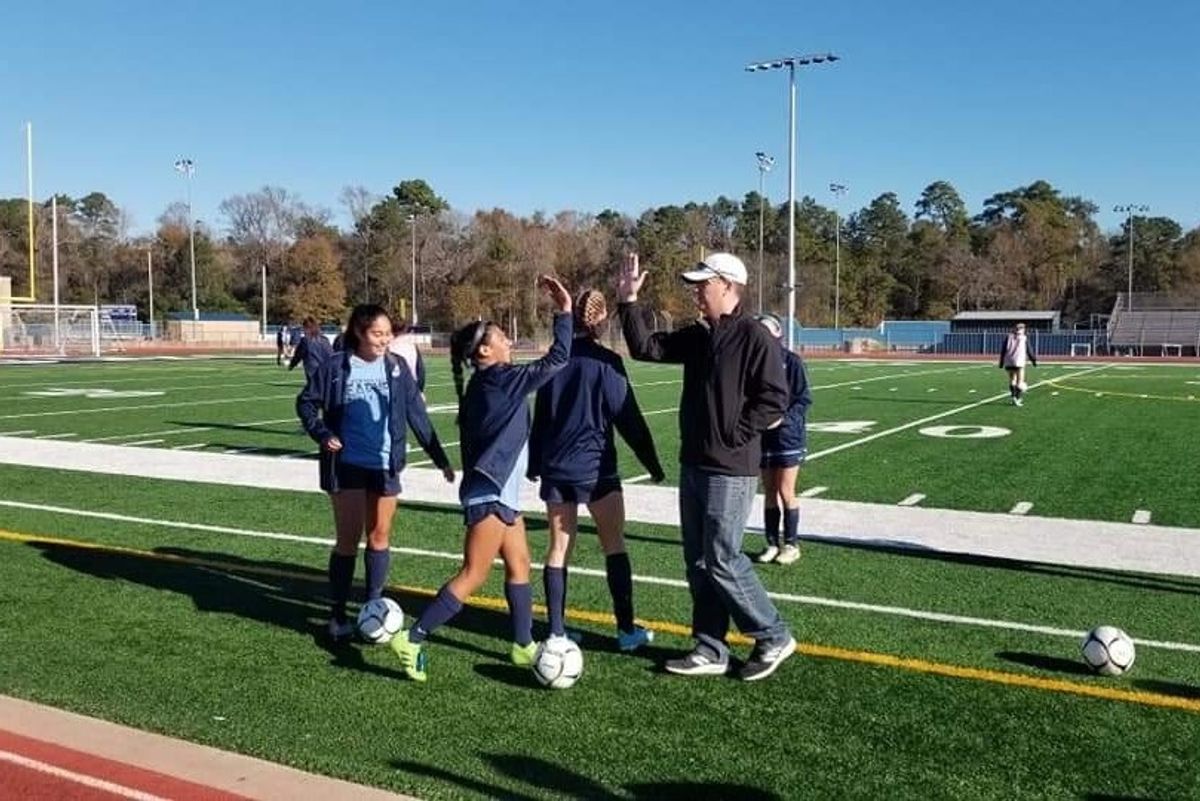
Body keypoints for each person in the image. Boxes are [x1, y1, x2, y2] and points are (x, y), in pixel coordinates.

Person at [618, 251, 796, 682]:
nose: (697, 292)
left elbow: (775, 398)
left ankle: (773, 634)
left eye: (704, 284)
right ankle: (710, 647)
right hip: (694, 463)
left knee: (722, 558)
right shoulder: (700, 336)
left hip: (730, 468)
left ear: (729, 286)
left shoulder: (754, 336)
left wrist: (733, 434)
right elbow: (646, 347)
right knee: (698, 562)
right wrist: (628, 303)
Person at [390, 275, 573, 682]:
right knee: (473, 573)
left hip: (500, 490)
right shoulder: (501, 380)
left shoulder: (487, 383)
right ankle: (413, 637)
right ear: (486, 350)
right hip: (489, 492)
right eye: (502, 337)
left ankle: (523, 645)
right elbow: (557, 360)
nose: (509, 340)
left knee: (520, 562)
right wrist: (564, 312)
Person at [296, 304, 455, 641]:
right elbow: (307, 402)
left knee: (380, 536)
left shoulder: (396, 368)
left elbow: (417, 415)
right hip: (347, 466)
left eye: (387, 334)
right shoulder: (336, 366)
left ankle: (372, 608)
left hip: (385, 466)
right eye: (377, 334)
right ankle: (337, 615)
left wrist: (440, 458)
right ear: (359, 333)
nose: (384, 340)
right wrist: (323, 434)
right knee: (348, 541)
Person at [529, 288, 665, 652]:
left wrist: (533, 464)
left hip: (557, 469)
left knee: (558, 550)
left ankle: (556, 631)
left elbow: (540, 418)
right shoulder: (607, 362)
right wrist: (652, 464)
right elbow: (629, 419)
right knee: (614, 545)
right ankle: (625, 630)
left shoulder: (554, 360)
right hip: (597, 470)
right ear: (602, 322)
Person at [752, 313, 812, 566]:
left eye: (767, 334)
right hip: (763, 437)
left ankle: (791, 543)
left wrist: (784, 420)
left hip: (788, 437)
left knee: (786, 490)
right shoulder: (752, 364)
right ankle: (771, 543)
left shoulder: (792, 362)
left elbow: (803, 399)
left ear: (778, 335)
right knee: (769, 491)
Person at [999, 322, 1037, 406]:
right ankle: (1017, 398)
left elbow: (1003, 350)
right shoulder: (1024, 338)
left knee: (1012, 380)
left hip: (1008, 361)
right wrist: (1033, 361)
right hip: (1019, 362)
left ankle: (1013, 396)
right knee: (1020, 382)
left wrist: (1001, 362)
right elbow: (1029, 351)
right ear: (1022, 329)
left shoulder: (1008, 337)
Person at [288, 316, 335, 383]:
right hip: (326, 369)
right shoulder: (325, 339)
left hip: (312, 369)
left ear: (306, 328)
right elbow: (331, 354)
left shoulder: (305, 340)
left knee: (313, 389)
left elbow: (298, 354)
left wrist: (292, 364)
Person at [387, 320, 426, 394]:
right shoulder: (412, 346)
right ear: (405, 329)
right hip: (411, 388)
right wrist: (420, 390)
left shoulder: (387, 347)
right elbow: (420, 370)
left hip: (394, 389)